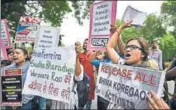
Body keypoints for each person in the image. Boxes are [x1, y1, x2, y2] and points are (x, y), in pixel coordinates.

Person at [106, 21, 159, 109]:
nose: (128, 49)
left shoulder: (150, 76)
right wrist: (120, 28)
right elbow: (109, 47)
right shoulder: (122, 64)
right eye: (127, 47)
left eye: (133, 47)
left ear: (143, 54)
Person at [78, 38, 97, 109]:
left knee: (89, 101)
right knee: (80, 99)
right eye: (85, 43)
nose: (86, 44)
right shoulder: (80, 55)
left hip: (91, 81)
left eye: (88, 43)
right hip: (81, 80)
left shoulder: (94, 54)